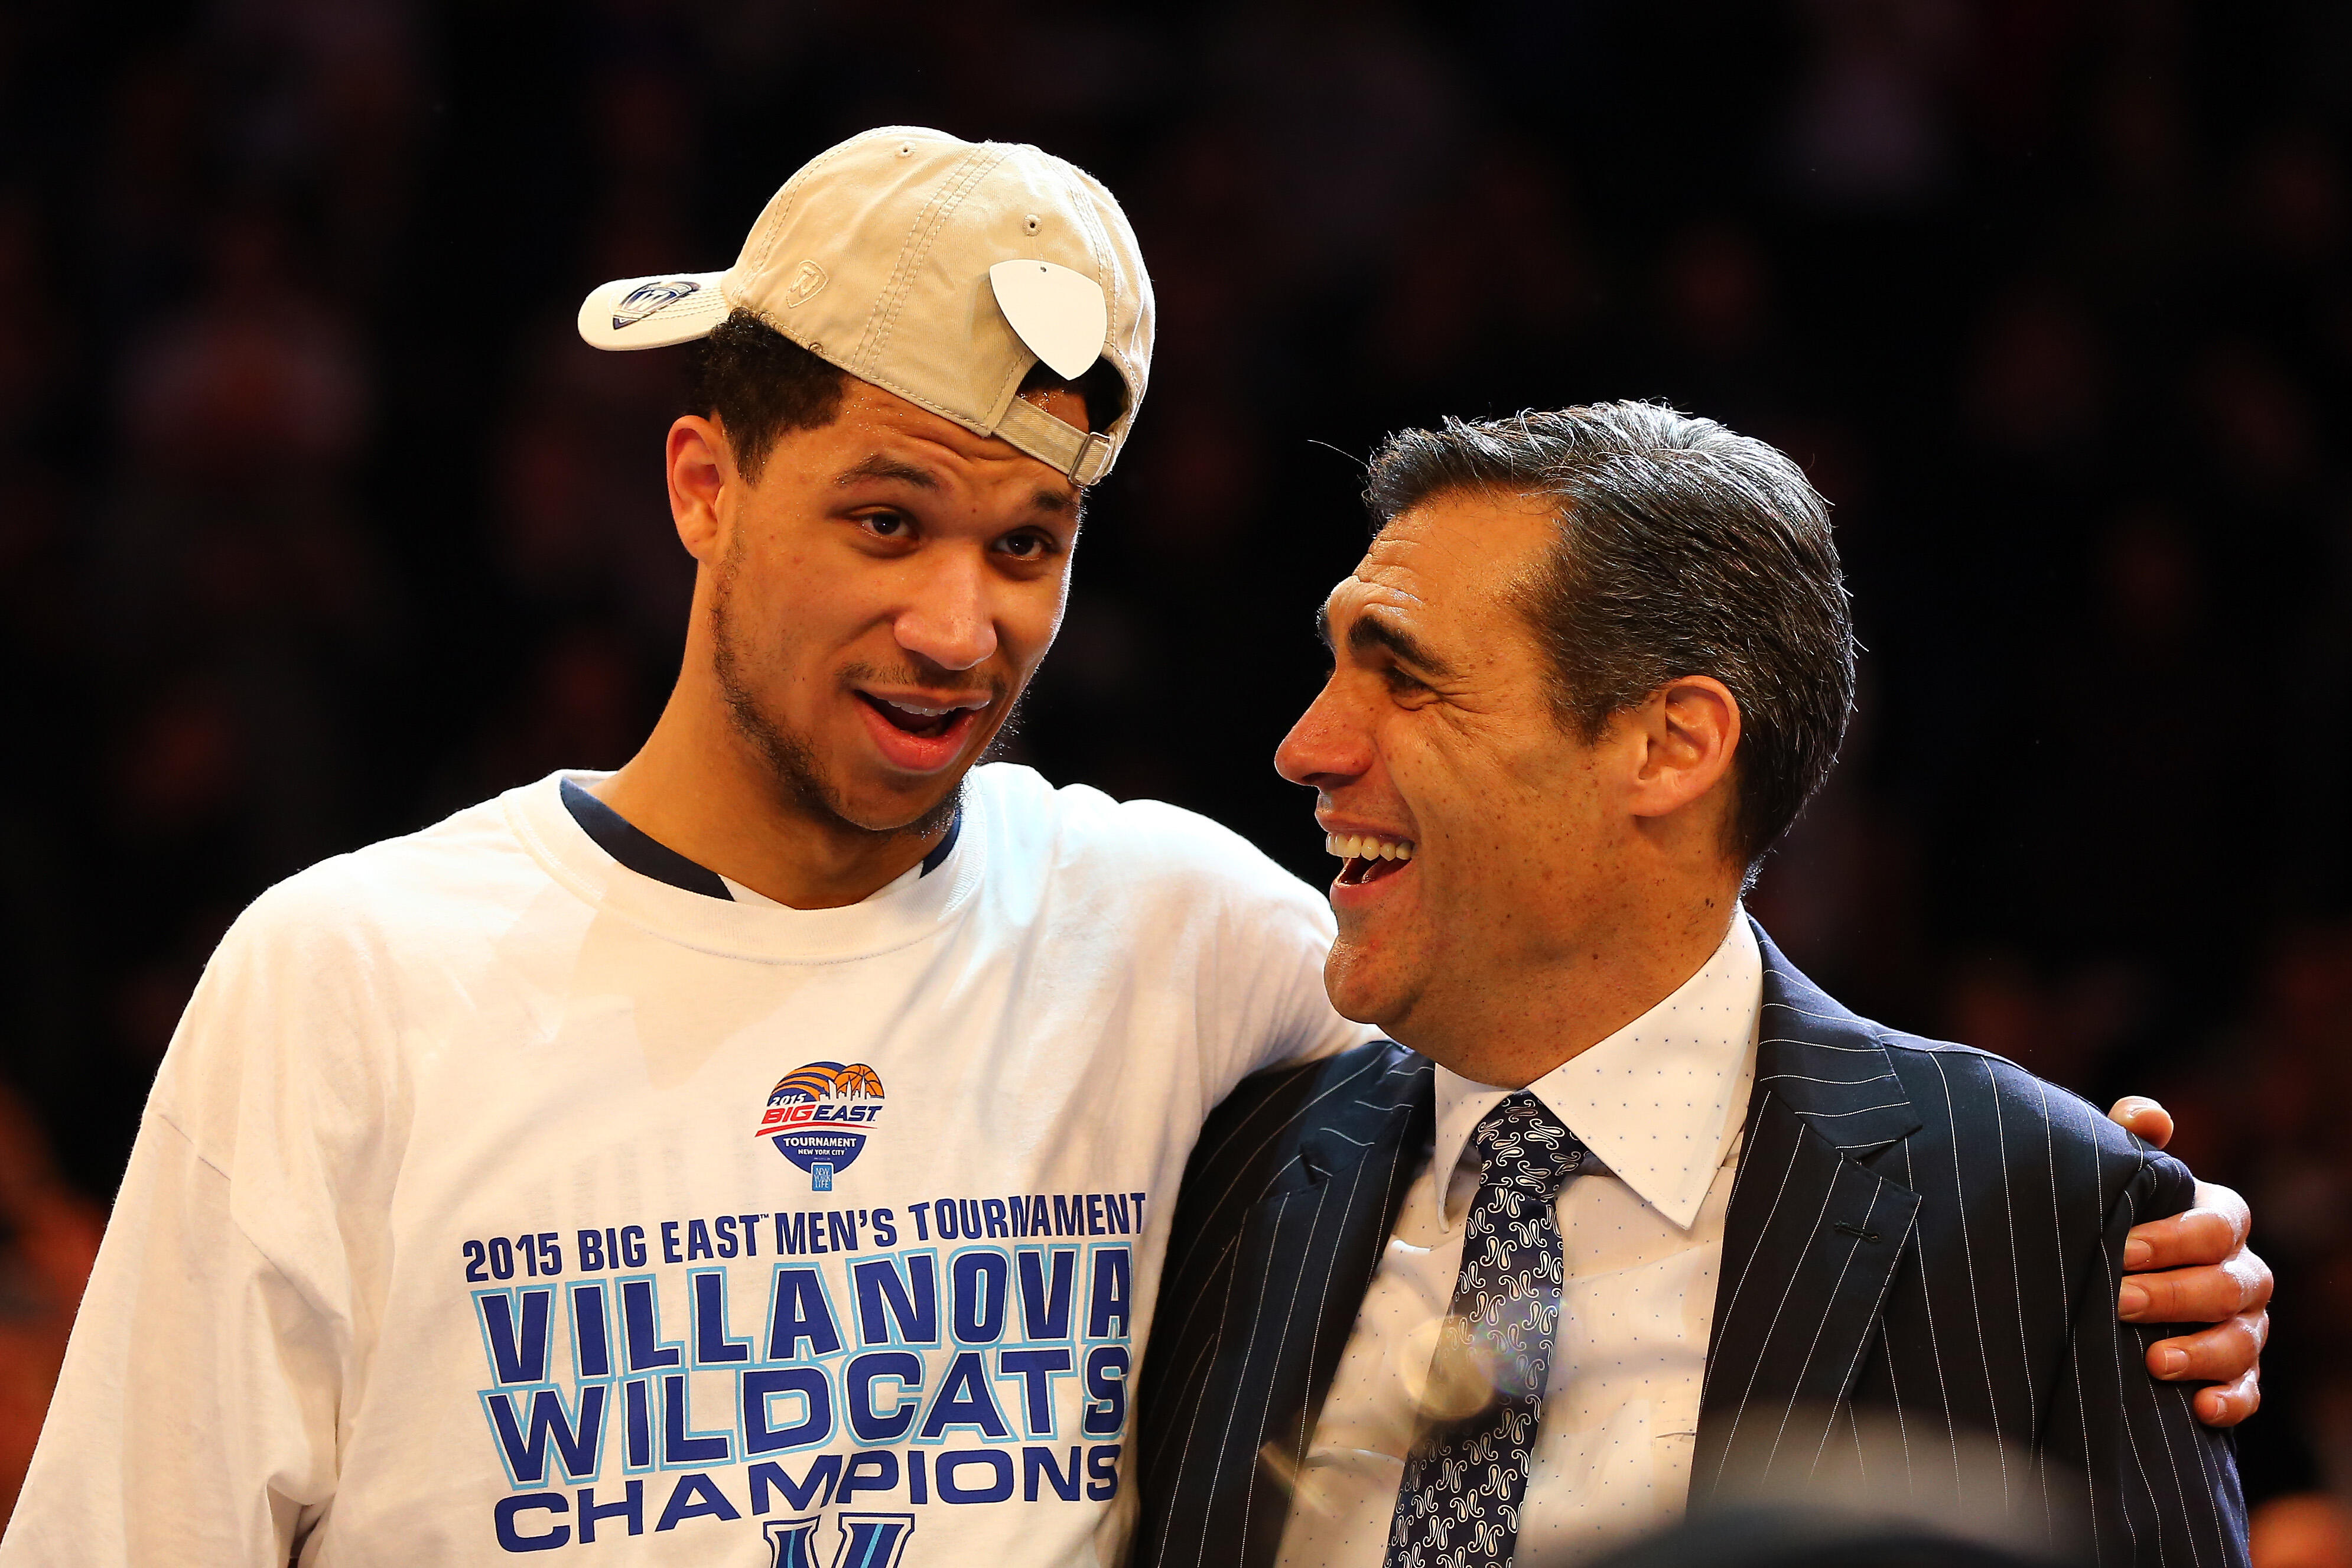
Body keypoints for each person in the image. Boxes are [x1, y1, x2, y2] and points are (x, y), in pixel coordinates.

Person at [1, 130, 2258, 1567]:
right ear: (700, 483)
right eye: (883, 519)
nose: (958, 622)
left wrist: (2092, 1212)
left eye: (1029, 540)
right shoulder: (347, 975)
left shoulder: (1175, 935)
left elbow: (1607, 998)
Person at [1134, 404, 2262, 1568]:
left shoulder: (2048, 1222)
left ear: (1671, 745)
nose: (1307, 747)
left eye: (1406, 680)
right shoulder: (1225, 1162)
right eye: (1334, 670)